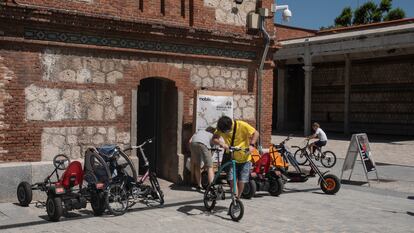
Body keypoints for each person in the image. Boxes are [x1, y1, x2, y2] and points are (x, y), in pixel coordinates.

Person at [213, 116, 259, 199]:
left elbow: (256, 133)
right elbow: (214, 139)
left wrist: (252, 144)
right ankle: (235, 199)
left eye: (226, 131)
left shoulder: (241, 125)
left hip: (245, 157)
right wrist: (222, 143)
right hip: (231, 157)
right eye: (224, 132)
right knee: (232, 179)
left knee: (242, 180)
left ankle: (237, 198)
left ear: (230, 126)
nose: (225, 133)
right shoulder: (221, 128)